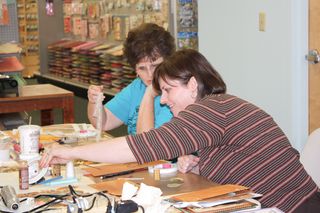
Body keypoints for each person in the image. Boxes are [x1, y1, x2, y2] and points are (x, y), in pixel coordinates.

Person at [41, 49, 320, 212]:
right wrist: (204, 165)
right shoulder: (220, 107)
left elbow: (144, 146)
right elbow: (244, 160)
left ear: (193, 85)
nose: (164, 99)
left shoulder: (210, 110)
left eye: (168, 90)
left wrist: (71, 152)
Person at [87, 23, 175, 135]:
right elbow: (103, 123)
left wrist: (149, 94)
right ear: (135, 70)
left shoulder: (175, 92)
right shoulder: (137, 86)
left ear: (168, 61)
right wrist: (94, 102)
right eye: (142, 68)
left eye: (155, 66)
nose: (150, 74)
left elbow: (149, 143)